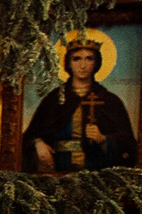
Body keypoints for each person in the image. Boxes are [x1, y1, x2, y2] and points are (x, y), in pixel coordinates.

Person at [23, 36, 134, 172]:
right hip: (59, 167)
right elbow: (30, 135)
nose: (83, 65)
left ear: (96, 63)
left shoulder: (109, 100)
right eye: (76, 59)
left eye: (89, 58)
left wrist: (104, 139)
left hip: (96, 171)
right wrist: (37, 143)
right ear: (68, 63)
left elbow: (128, 143)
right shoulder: (55, 99)